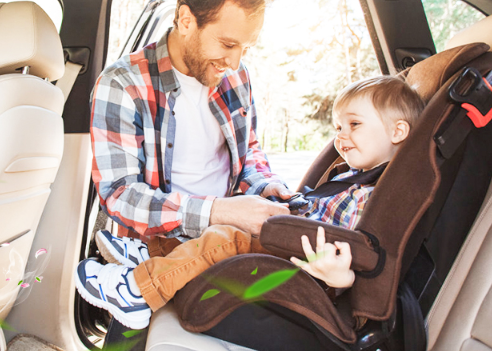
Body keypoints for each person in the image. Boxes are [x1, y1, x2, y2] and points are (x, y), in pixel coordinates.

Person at [76, 75, 425, 329]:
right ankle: (156, 254)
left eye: (354, 124)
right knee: (230, 220)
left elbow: (364, 257)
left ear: (397, 132)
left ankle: (139, 291)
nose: (340, 136)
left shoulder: (374, 196)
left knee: (228, 237)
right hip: (293, 247)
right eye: (337, 127)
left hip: (308, 273)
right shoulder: (350, 178)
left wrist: (341, 278)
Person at [89, 0, 292, 351]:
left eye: (245, 48)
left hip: (219, 247)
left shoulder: (237, 77)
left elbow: (249, 150)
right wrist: (219, 211)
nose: (235, 62)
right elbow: (120, 196)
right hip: (149, 247)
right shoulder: (122, 84)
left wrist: (264, 185)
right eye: (227, 44)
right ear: (186, 21)